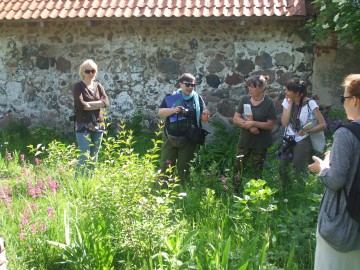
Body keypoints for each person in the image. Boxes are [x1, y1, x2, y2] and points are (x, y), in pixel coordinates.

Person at [308, 74, 360, 269]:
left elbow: (336, 180)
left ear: (354, 100)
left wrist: (323, 167)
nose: (343, 103)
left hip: (344, 224)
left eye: (343, 98)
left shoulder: (346, 134)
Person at [158, 73, 209, 183]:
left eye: (193, 85)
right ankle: (163, 187)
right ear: (180, 84)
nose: (190, 87)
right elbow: (160, 112)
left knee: (184, 166)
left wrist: (205, 114)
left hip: (189, 137)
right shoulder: (171, 97)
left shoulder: (198, 98)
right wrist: (174, 110)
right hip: (170, 135)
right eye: (187, 85)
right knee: (167, 163)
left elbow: (203, 119)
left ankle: (183, 189)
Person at [279, 79, 326, 189]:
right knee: (282, 167)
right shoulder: (287, 101)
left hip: (303, 139)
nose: (285, 92)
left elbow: (323, 124)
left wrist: (308, 131)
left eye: (288, 90)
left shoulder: (310, 103)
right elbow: (284, 123)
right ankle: (286, 190)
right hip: (288, 138)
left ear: (298, 93)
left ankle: (302, 193)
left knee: (299, 169)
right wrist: (290, 105)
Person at [232, 75, 276, 190]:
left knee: (257, 169)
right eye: (249, 87)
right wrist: (248, 126)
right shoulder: (245, 99)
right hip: (245, 141)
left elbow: (271, 124)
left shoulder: (269, 103)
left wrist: (254, 123)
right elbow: (236, 118)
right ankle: (235, 191)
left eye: (253, 87)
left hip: (261, 143)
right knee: (238, 166)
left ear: (261, 88)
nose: (249, 89)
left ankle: (257, 194)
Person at [72, 59, 109, 175]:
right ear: (82, 72)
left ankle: (89, 182)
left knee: (94, 156)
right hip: (83, 124)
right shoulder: (78, 87)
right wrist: (97, 104)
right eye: (87, 71)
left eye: (93, 71)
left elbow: (106, 103)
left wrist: (89, 104)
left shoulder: (99, 86)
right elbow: (80, 105)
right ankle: (78, 181)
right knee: (84, 156)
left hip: (98, 124)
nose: (90, 74)